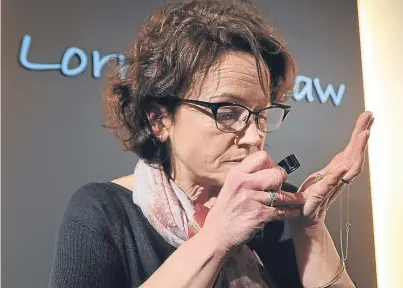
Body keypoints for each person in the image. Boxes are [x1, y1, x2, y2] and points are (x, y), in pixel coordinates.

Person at [49, 0, 373, 287]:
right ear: (159, 119)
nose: (254, 136)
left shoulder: (280, 210)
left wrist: (310, 228)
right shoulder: (104, 213)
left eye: (260, 114)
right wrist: (217, 239)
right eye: (228, 112)